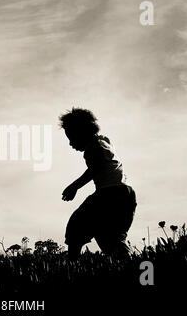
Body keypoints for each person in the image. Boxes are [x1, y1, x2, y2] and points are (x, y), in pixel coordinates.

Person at [60, 107, 137, 260]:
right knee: (110, 237)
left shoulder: (94, 146)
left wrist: (74, 186)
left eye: (72, 137)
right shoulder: (103, 142)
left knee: (76, 225)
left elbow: (96, 167)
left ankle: (71, 265)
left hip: (110, 194)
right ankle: (127, 264)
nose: (70, 143)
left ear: (83, 132)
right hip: (125, 195)